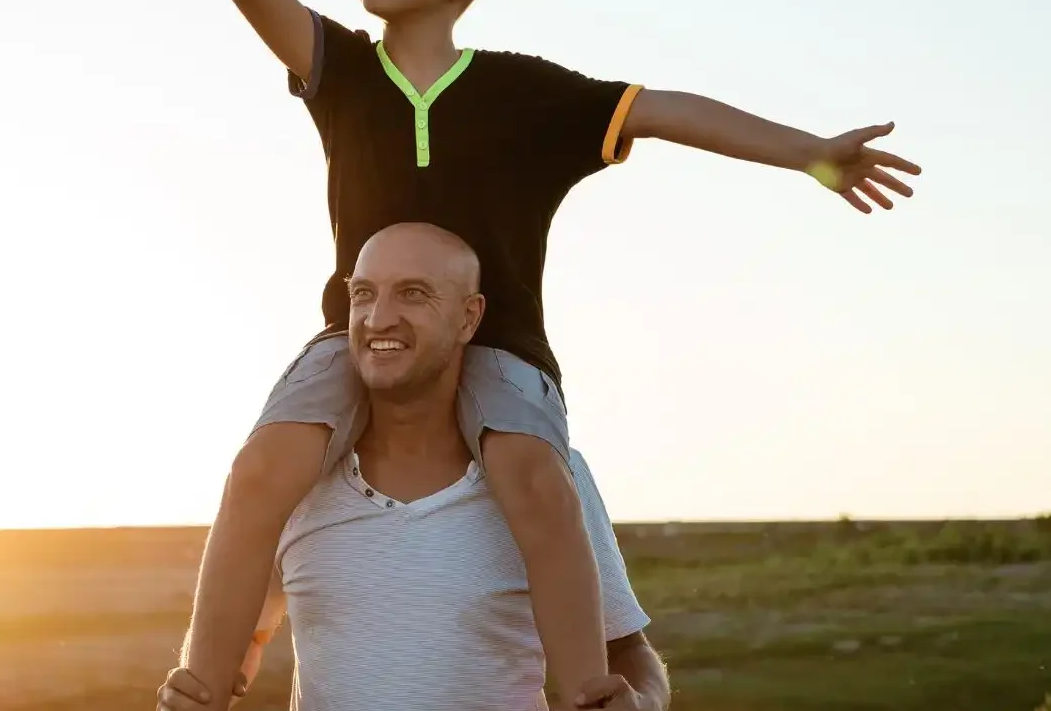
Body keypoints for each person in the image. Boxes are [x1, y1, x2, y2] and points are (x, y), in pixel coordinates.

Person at [78, 0, 922, 707]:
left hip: (505, 345)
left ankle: (585, 693)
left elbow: (670, 111)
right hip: (362, 337)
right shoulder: (344, 74)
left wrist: (810, 154)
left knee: (532, 476)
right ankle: (202, 687)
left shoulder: (528, 94)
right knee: (261, 464)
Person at [157, 223, 671, 711]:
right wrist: (195, 684)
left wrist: (643, 700)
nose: (378, 318)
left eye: (413, 294)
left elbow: (627, 652)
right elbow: (251, 628)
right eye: (363, 294)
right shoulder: (298, 477)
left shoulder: (547, 477)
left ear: (469, 317)